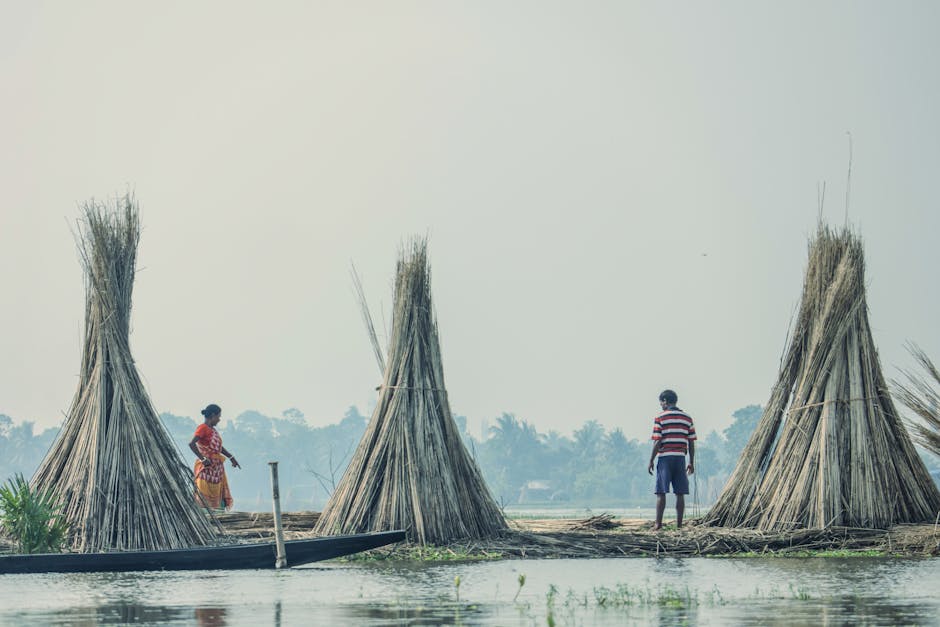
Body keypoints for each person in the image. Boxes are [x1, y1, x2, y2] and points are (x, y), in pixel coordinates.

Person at [647, 389, 696, 530]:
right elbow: (691, 442)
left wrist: (651, 460)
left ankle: (658, 524)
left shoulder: (660, 417)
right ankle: (679, 526)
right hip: (680, 458)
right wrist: (691, 462)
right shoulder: (687, 418)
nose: (661, 405)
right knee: (680, 493)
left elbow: (657, 441)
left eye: (661, 402)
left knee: (661, 492)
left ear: (665, 401)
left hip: (665, 458)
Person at [189, 403, 241, 511]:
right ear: (212, 415)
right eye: (218, 417)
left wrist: (231, 457)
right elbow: (192, 444)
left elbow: (218, 448)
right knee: (204, 499)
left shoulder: (213, 430)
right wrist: (202, 458)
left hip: (216, 470)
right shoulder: (203, 428)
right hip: (206, 470)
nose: (219, 419)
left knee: (217, 501)